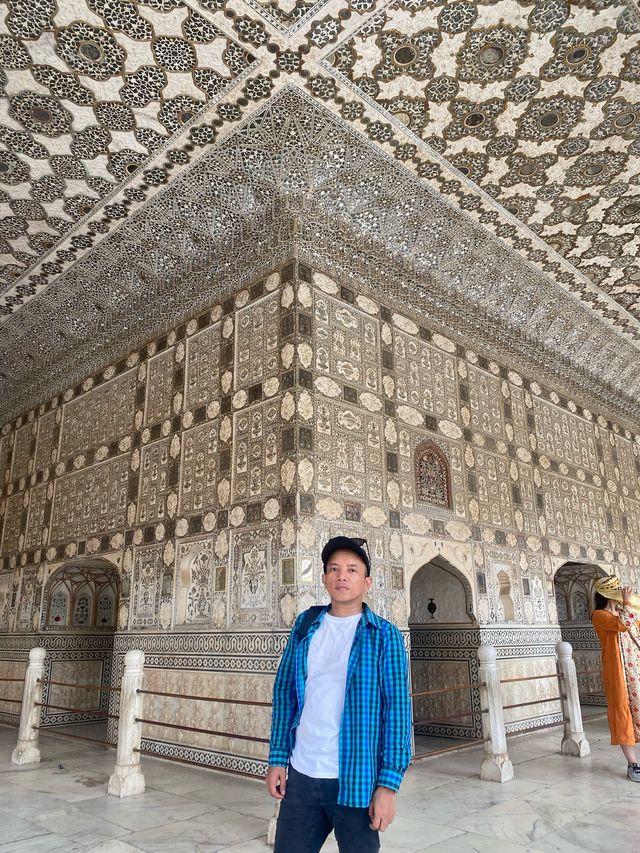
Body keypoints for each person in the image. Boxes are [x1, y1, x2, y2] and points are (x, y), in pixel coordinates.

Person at [266, 535, 412, 852]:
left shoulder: (384, 635)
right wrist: (278, 758)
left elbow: (398, 713)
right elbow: (285, 694)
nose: (341, 576)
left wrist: (389, 786)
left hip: (357, 779)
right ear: (324, 578)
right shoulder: (305, 625)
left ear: (367, 581)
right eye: (333, 569)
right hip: (302, 776)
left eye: (351, 570)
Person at [591, 575, 640, 782]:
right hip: (620, 675)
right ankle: (633, 765)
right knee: (623, 714)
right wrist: (627, 603)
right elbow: (623, 624)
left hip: (636, 670)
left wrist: (629, 604)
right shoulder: (599, 615)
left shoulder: (623, 611)